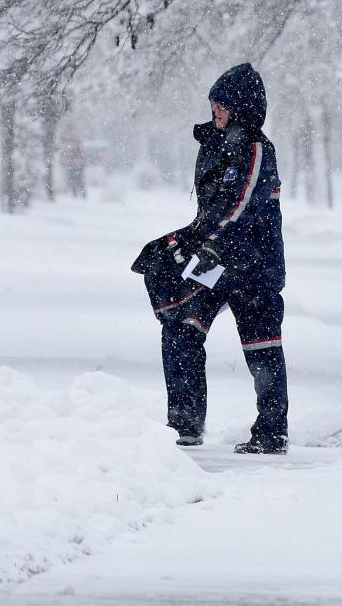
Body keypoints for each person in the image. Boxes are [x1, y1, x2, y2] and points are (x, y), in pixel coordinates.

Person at [131, 63, 288, 454]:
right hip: (215, 261)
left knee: (261, 347)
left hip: (253, 266)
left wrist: (210, 243)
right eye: (212, 103)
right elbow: (212, 213)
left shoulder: (256, 150)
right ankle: (184, 425)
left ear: (241, 108)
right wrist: (177, 243)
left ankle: (271, 433)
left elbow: (240, 206)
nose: (214, 110)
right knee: (182, 326)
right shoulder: (215, 145)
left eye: (221, 104)